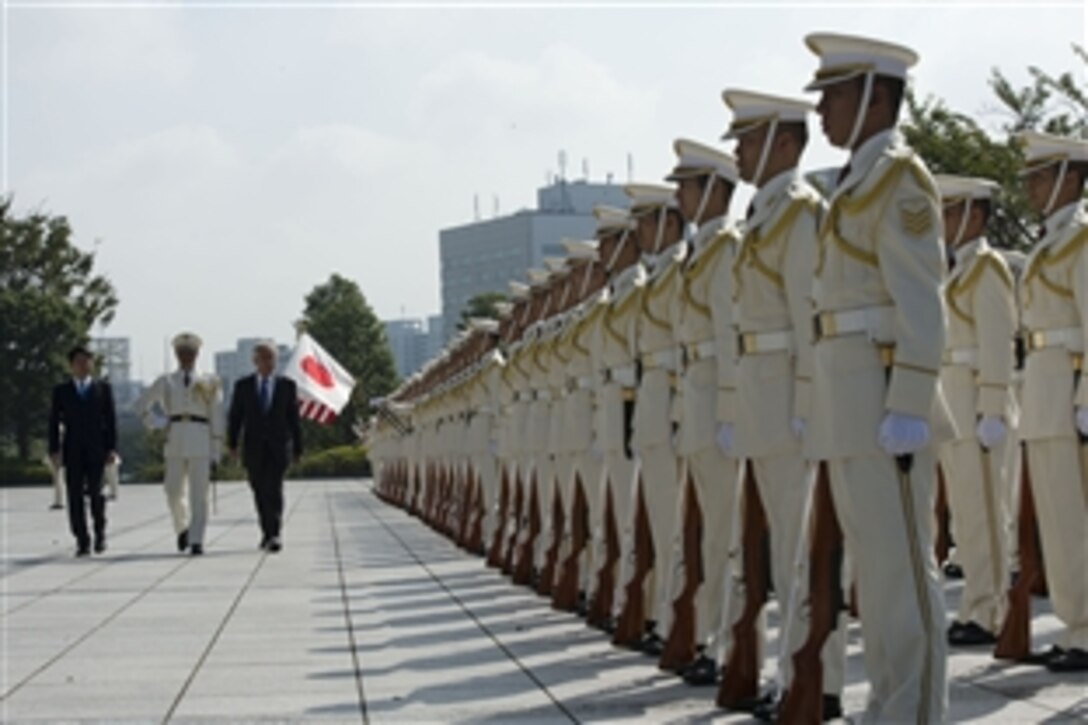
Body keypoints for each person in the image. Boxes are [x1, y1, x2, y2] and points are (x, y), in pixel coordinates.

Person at [801, 32, 949, 722]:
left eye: (831, 97)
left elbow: (921, 295)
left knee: (902, 574)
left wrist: (913, 397)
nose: (822, 113)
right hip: (848, 395)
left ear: (874, 97)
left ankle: (913, 710)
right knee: (872, 570)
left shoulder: (900, 177)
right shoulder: (855, 182)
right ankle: (889, 702)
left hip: (885, 393)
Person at [720, 89, 846, 719]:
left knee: (804, 552)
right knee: (778, 553)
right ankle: (791, 676)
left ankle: (816, 684)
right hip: (759, 400)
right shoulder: (763, 217)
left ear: (784, 144)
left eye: (746, 140)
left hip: (787, 405)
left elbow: (808, 317)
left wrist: (806, 400)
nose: (739, 153)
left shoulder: (797, 215)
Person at [1015, 130, 1088, 672]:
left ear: (1070, 177)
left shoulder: (1081, 242)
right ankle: (1074, 625)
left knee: (1076, 521)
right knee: (1058, 524)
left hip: (1069, 393)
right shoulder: (1050, 244)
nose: (1032, 187)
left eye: (1040, 175)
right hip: (1042, 394)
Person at [935, 174, 1016, 647]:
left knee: (987, 514)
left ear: (975, 215)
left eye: (951, 212)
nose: (942, 222)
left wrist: (993, 405)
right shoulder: (952, 269)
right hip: (954, 402)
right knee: (967, 518)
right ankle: (974, 603)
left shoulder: (986, 269)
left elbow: (997, 342)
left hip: (977, 404)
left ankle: (991, 611)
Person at [137, 332, 224, 556]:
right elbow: (141, 404)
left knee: (199, 493)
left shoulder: (210, 380)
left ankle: (197, 539)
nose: (186, 357)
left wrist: (216, 448)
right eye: (182, 353)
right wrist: (155, 421)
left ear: (197, 354)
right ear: (176, 355)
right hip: (175, 437)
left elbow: (217, 415)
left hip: (201, 437)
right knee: (172, 490)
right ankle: (182, 527)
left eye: (190, 353)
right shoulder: (166, 381)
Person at [228, 340, 303, 552]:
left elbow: (293, 419)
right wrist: (232, 444)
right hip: (253, 448)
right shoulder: (243, 386)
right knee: (259, 490)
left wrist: (298, 447)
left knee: (274, 488)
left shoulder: (287, 386)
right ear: (255, 361)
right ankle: (266, 531)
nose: (268, 362)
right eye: (263, 358)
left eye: (271, 358)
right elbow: (236, 417)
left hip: (279, 447)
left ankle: (275, 533)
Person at [48, 345, 118, 557]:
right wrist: (54, 449)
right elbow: (53, 422)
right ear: (71, 366)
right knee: (75, 495)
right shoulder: (61, 391)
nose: (83, 365)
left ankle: (100, 533)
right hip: (73, 449)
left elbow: (111, 420)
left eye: (87, 361)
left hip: (97, 449)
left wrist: (112, 448)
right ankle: (82, 539)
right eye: (79, 362)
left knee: (97, 493)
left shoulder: (102, 388)